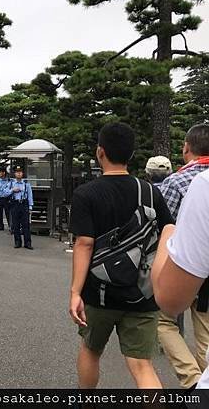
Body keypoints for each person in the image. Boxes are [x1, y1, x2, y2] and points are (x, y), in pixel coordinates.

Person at [69, 122, 174, 389]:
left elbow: (84, 244)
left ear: (99, 152)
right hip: (141, 292)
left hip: (99, 292)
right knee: (142, 366)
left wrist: (75, 292)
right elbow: (169, 232)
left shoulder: (86, 193)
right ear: (131, 154)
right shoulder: (151, 192)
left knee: (91, 350)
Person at [156, 124, 209, 389]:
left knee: (164, 319)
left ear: (186, 147)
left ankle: (192, 380)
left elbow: (161, 226)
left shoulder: (177, 182)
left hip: (180, 267)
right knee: (206, 335)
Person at [10, 166, 33, 249]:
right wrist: (12, 190)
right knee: (16, 224)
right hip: (15, 204)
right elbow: (4, 193)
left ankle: (28, 243)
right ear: (15, 174)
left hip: (24, 204)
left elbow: (30, 196)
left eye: (20, 172)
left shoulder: (26, 184)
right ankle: (17, 242)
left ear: (22, 173)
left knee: (26, 225)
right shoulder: (11, 183)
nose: (19, 173)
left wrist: (30, 207)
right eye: (17, 172)